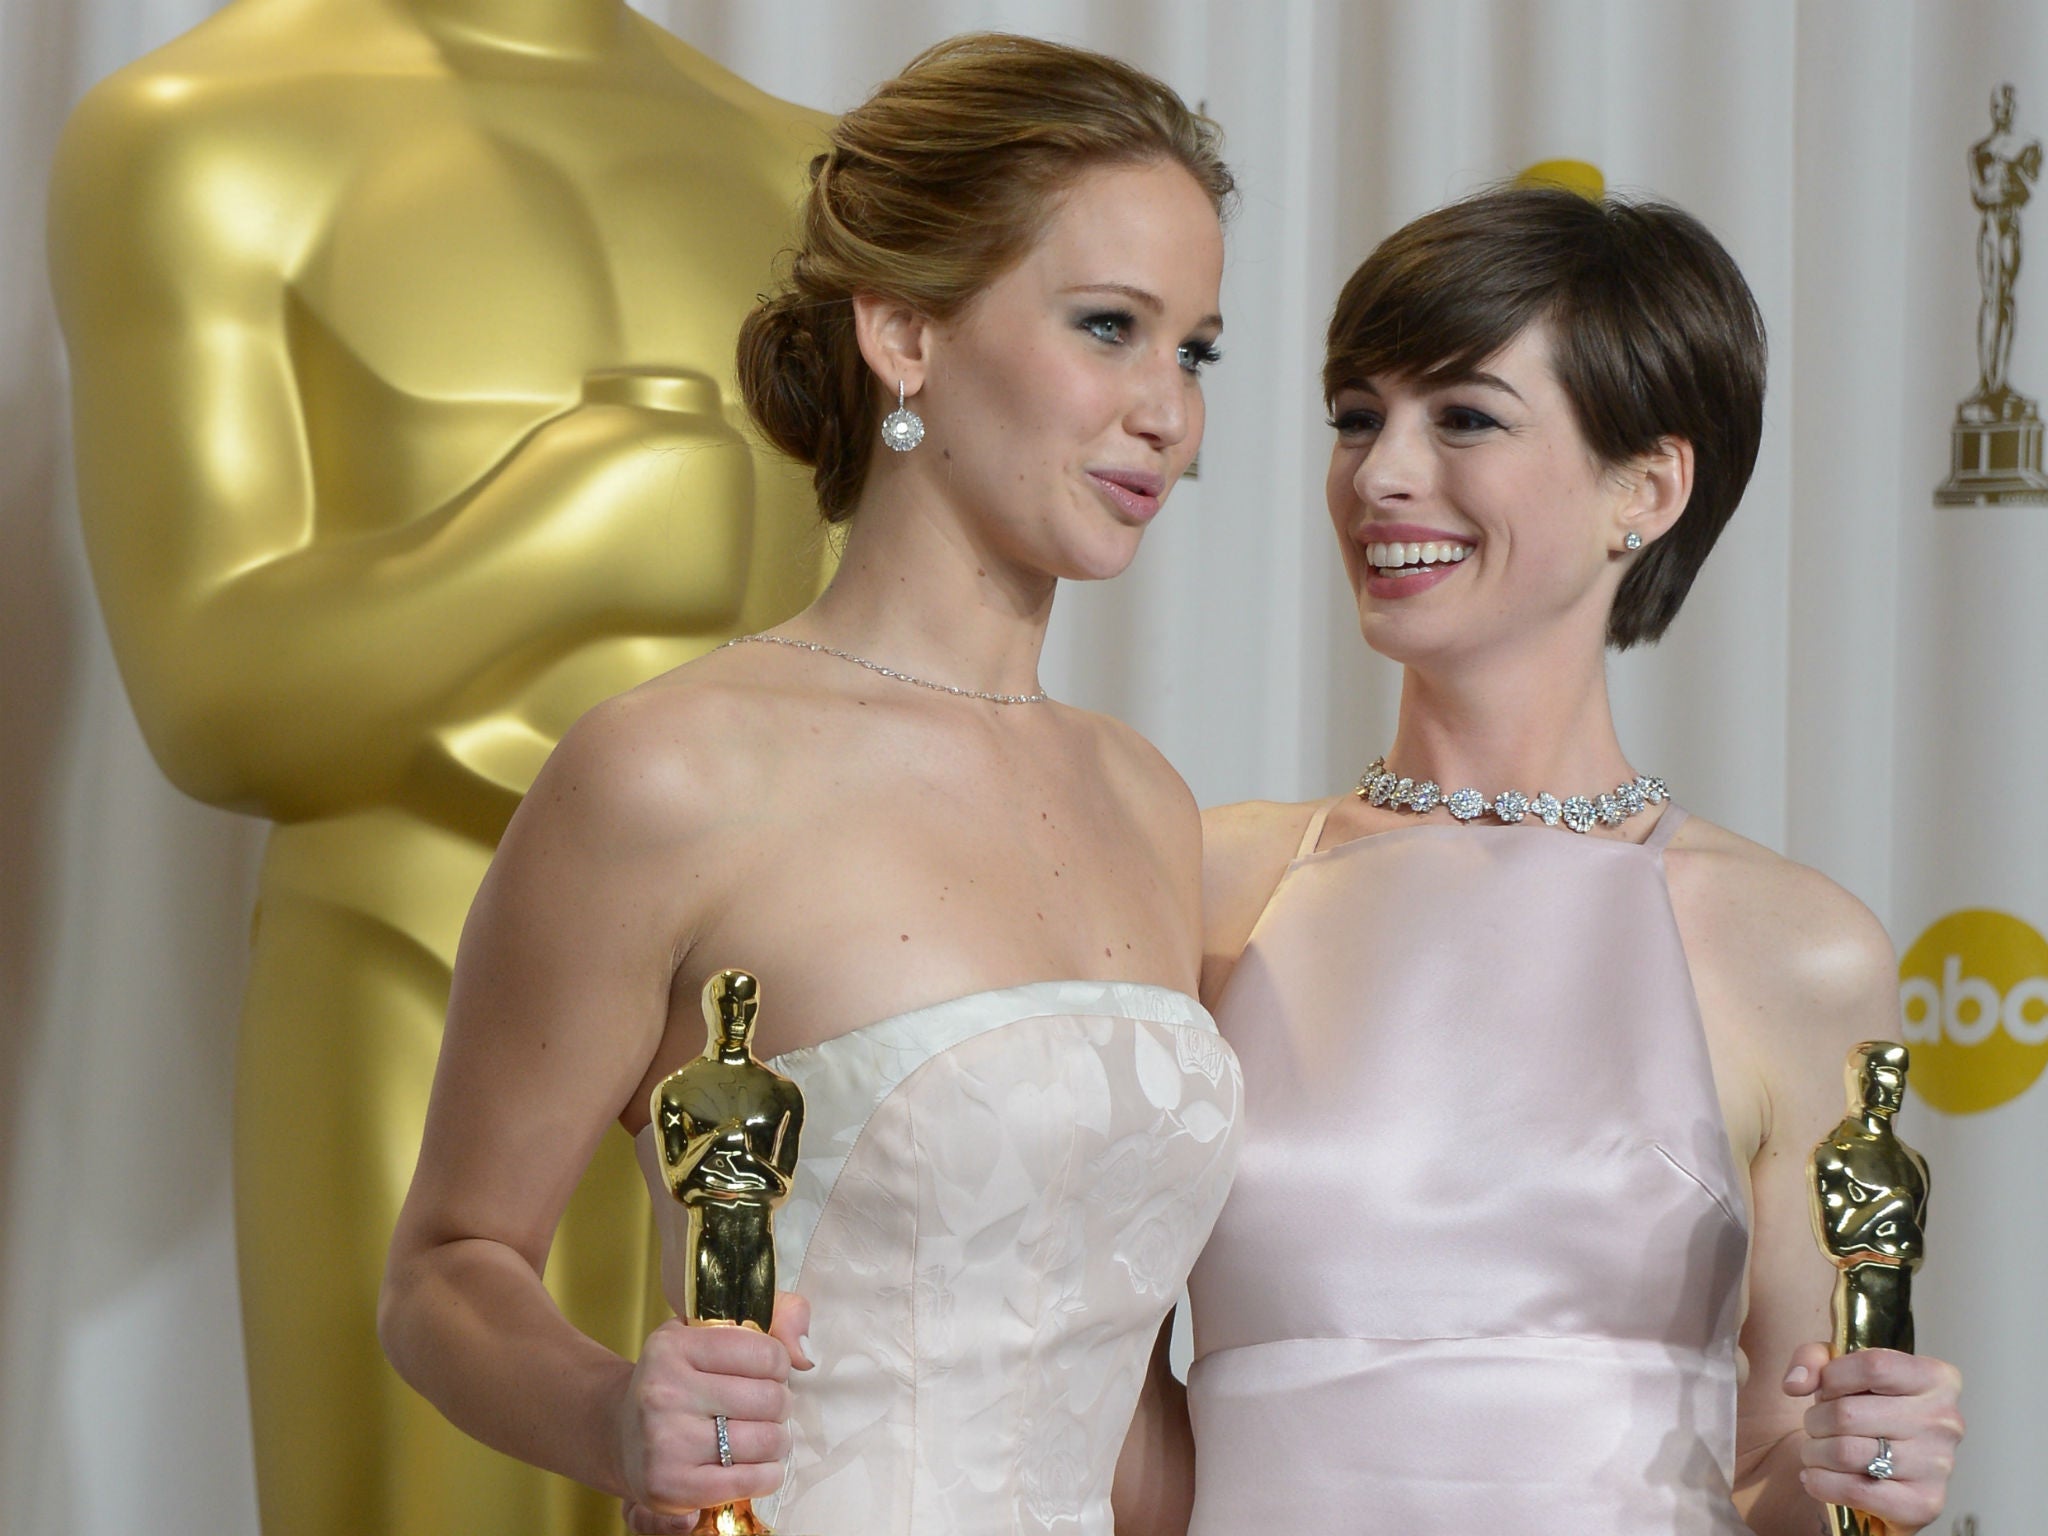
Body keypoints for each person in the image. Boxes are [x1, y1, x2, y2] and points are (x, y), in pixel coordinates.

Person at [378, 33, 1242, 1536]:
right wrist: (617, 1418)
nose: (1168, 411)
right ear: (904, 333)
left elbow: (1133, 1405)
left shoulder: (1150, 803)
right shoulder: (669, 772)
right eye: (1110, 326)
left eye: (1196, 351)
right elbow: (446, 1269)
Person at [1165, 188, 1964, 1535]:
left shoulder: (1797, 948)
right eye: (1357, 417)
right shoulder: (1211, 883)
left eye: (1464, 418)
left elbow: (1779, 1458)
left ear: (1645, 488)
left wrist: (1867, 1468)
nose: (1380, 475)